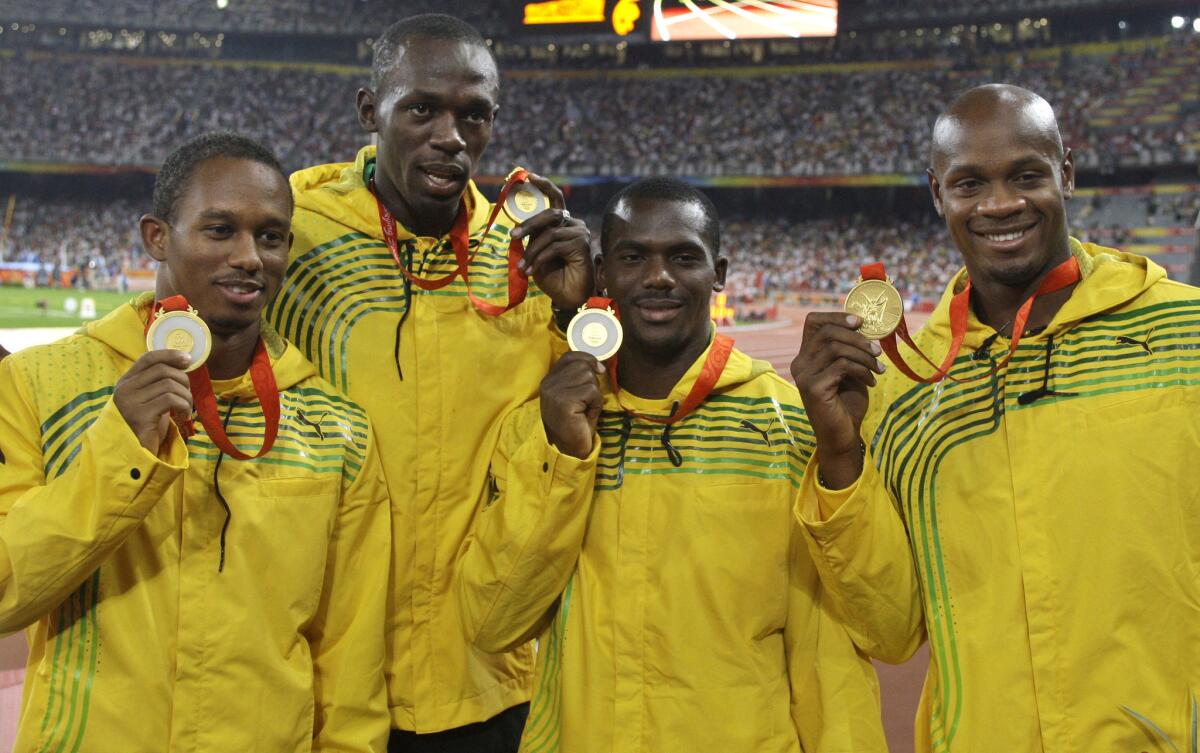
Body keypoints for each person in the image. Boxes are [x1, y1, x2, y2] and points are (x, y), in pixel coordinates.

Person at [792, 84, 1200, 752]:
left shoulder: (1184, 332)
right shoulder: (904, 391)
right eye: (970, 183)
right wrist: (840, 455)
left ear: (1066, 171)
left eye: (1027, 175)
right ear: (936, 192)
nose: (1001, 204)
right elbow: (891, 628)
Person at [456, 177, 888, 753]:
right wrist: (564, 459)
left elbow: (856, 643)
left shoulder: (791, 428)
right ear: (604, 271)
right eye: (635, 257)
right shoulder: (545, 427)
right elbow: (492, 622)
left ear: (720, 273)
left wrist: (840, 457)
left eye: (684, 257)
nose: (658, 276)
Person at [0, 132, 391, 753]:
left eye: (269, 236)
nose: (248, 257)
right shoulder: (40, 385)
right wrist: (123, 449)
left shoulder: (337, 426)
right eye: (219, 230)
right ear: (157, 236)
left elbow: (351, 657)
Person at [265, 14, 594, 752]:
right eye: (422, 109)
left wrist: (581, 308)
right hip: (327, 678)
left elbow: (581, 431)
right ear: (368, 111)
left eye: (472, 114)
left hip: (487, 676)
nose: (450, 135)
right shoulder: (294, 232)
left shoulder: (526, 253)